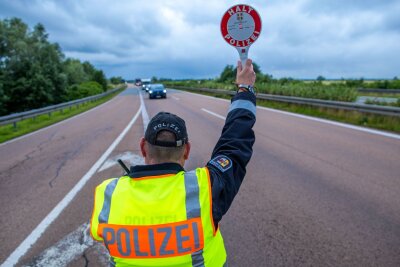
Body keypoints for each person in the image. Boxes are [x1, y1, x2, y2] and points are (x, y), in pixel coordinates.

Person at [90, 59, 257, 267]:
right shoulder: (204, 188)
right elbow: (235, 144)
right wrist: (245, 88)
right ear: (186, 151)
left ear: (143, 147)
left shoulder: (108, 195)